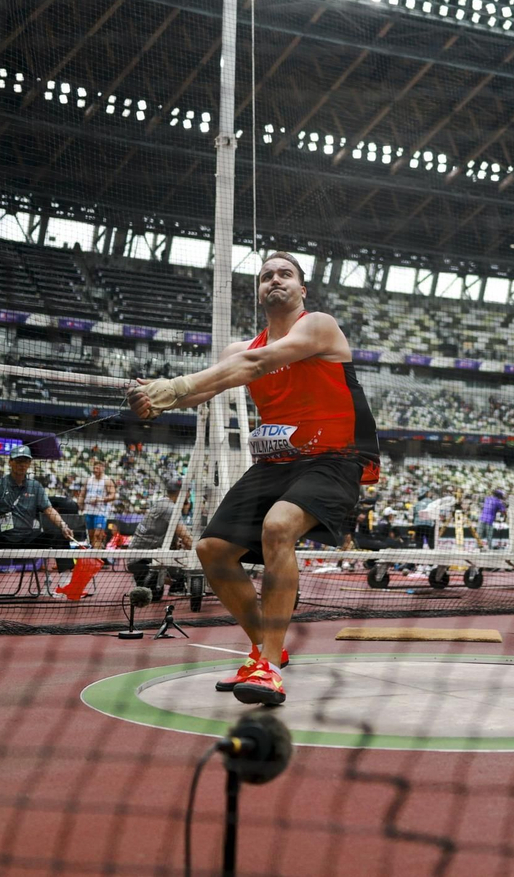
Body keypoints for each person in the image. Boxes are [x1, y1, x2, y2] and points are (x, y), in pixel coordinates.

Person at [128, 251, 381, 706]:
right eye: (266, 276)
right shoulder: (237, 350)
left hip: (332, 457)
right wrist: (156, 399)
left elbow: (256, 366)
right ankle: (269, 647)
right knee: (212, 551)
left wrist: (174, 386)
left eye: (285, 274)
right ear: (258, 293)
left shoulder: (319, 325)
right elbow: (208, 388)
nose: (275, 280)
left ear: (303, 290)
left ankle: (265, 663)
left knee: (278, 526)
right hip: (275, 465)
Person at [0, 444, 90, 601]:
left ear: (29, 464)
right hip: (3, 538)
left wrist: (63, 526)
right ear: (10, 462)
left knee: (59, 536)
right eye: (18, 461)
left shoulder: (35, 486)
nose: (22, 464)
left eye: (25, 461)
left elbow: (49, 510)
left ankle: (64, 585)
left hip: (28, 538)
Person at [127, 473, 193, 589]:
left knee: (158, 593)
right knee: (179, 582)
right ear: (182, 493)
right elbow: (187, 538)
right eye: (188, 491)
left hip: (145, 557)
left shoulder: (163, 502)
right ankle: (172, 581)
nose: (189, 494)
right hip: (142, 561)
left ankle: (169, 580)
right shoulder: (170, 509)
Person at [81, 459, 116, 552]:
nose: (95, 470)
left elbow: (113, 495)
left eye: (98, 468)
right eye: (94, 468)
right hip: (89, 511)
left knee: (98, 535)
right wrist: (80, 504)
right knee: (91, 535)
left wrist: (99, 499)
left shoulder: (107, 480)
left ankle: (98, 557)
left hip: (101, 512)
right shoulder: (89, 480)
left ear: (102, 469)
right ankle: (94, 556)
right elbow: (82, 493)